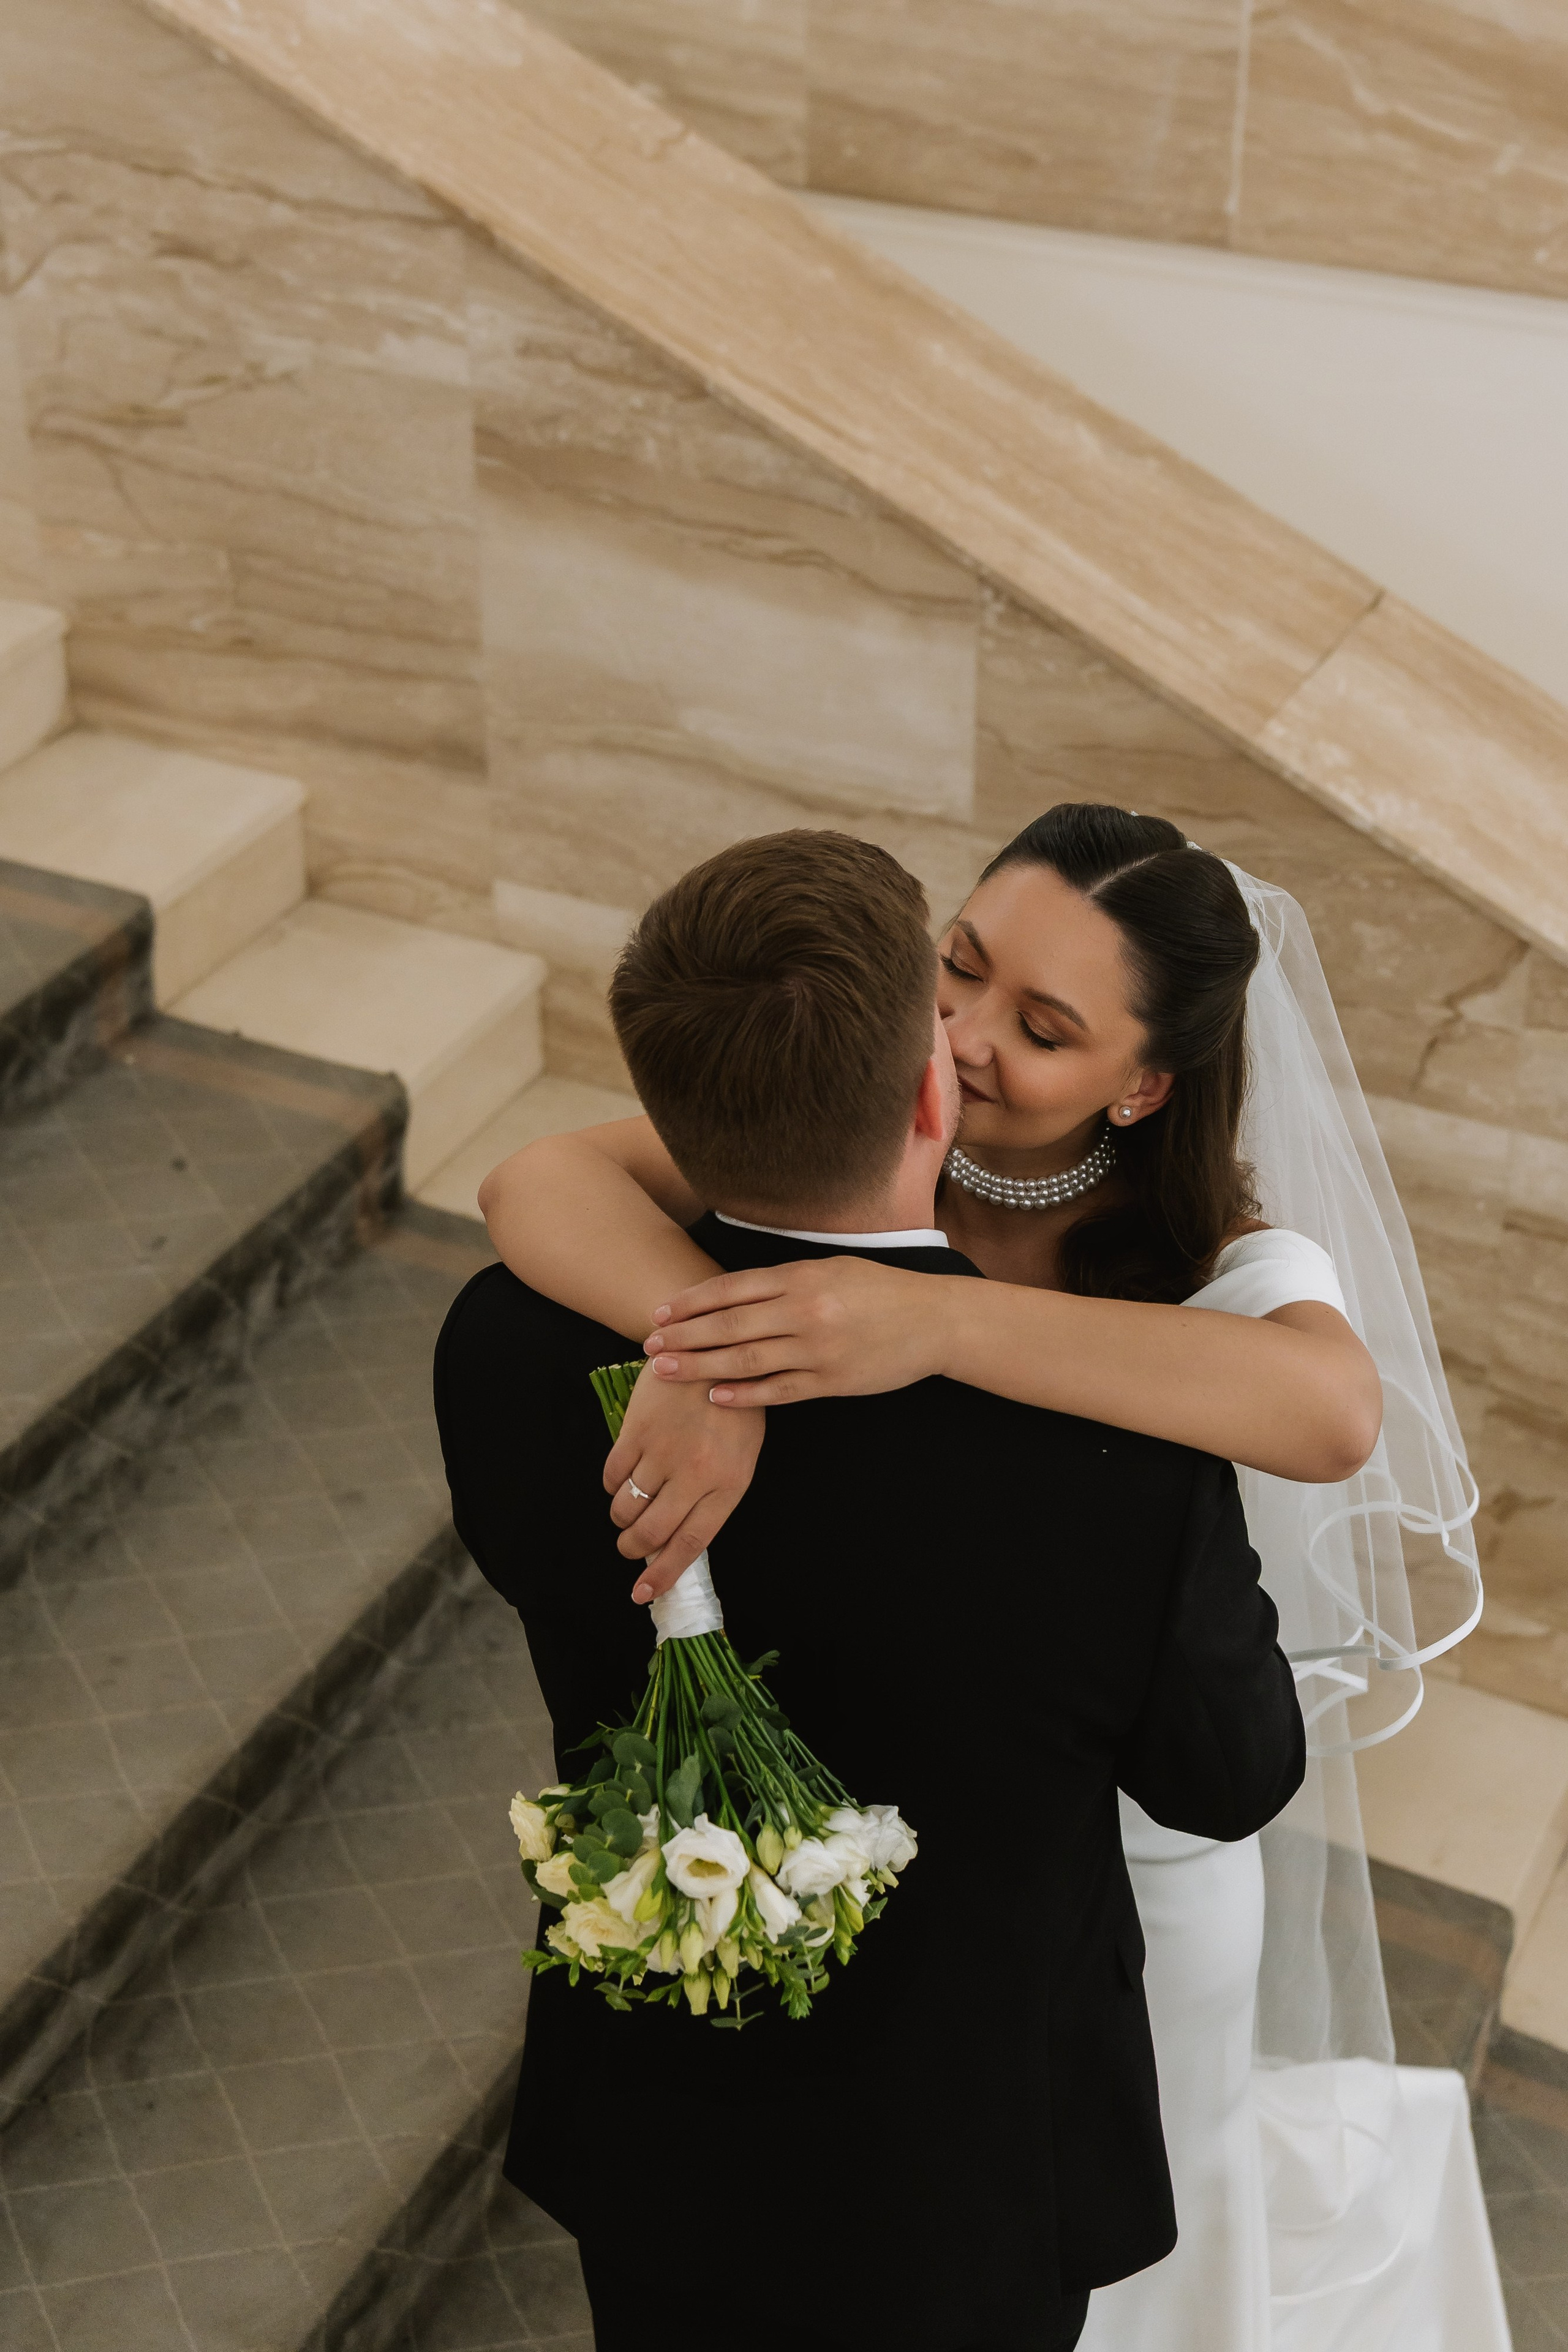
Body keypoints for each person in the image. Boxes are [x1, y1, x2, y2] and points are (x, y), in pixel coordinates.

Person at [477, 804, 1506, 2350]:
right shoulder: (854, 1109)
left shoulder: (1217, 1252)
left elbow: (1326, 1411)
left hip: (1114, 1884)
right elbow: (536, 1180)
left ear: (1144, 1084)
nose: (957, 1037)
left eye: (1040, 1028)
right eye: (955, 971)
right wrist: (709, 1350)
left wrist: (936, 1328)